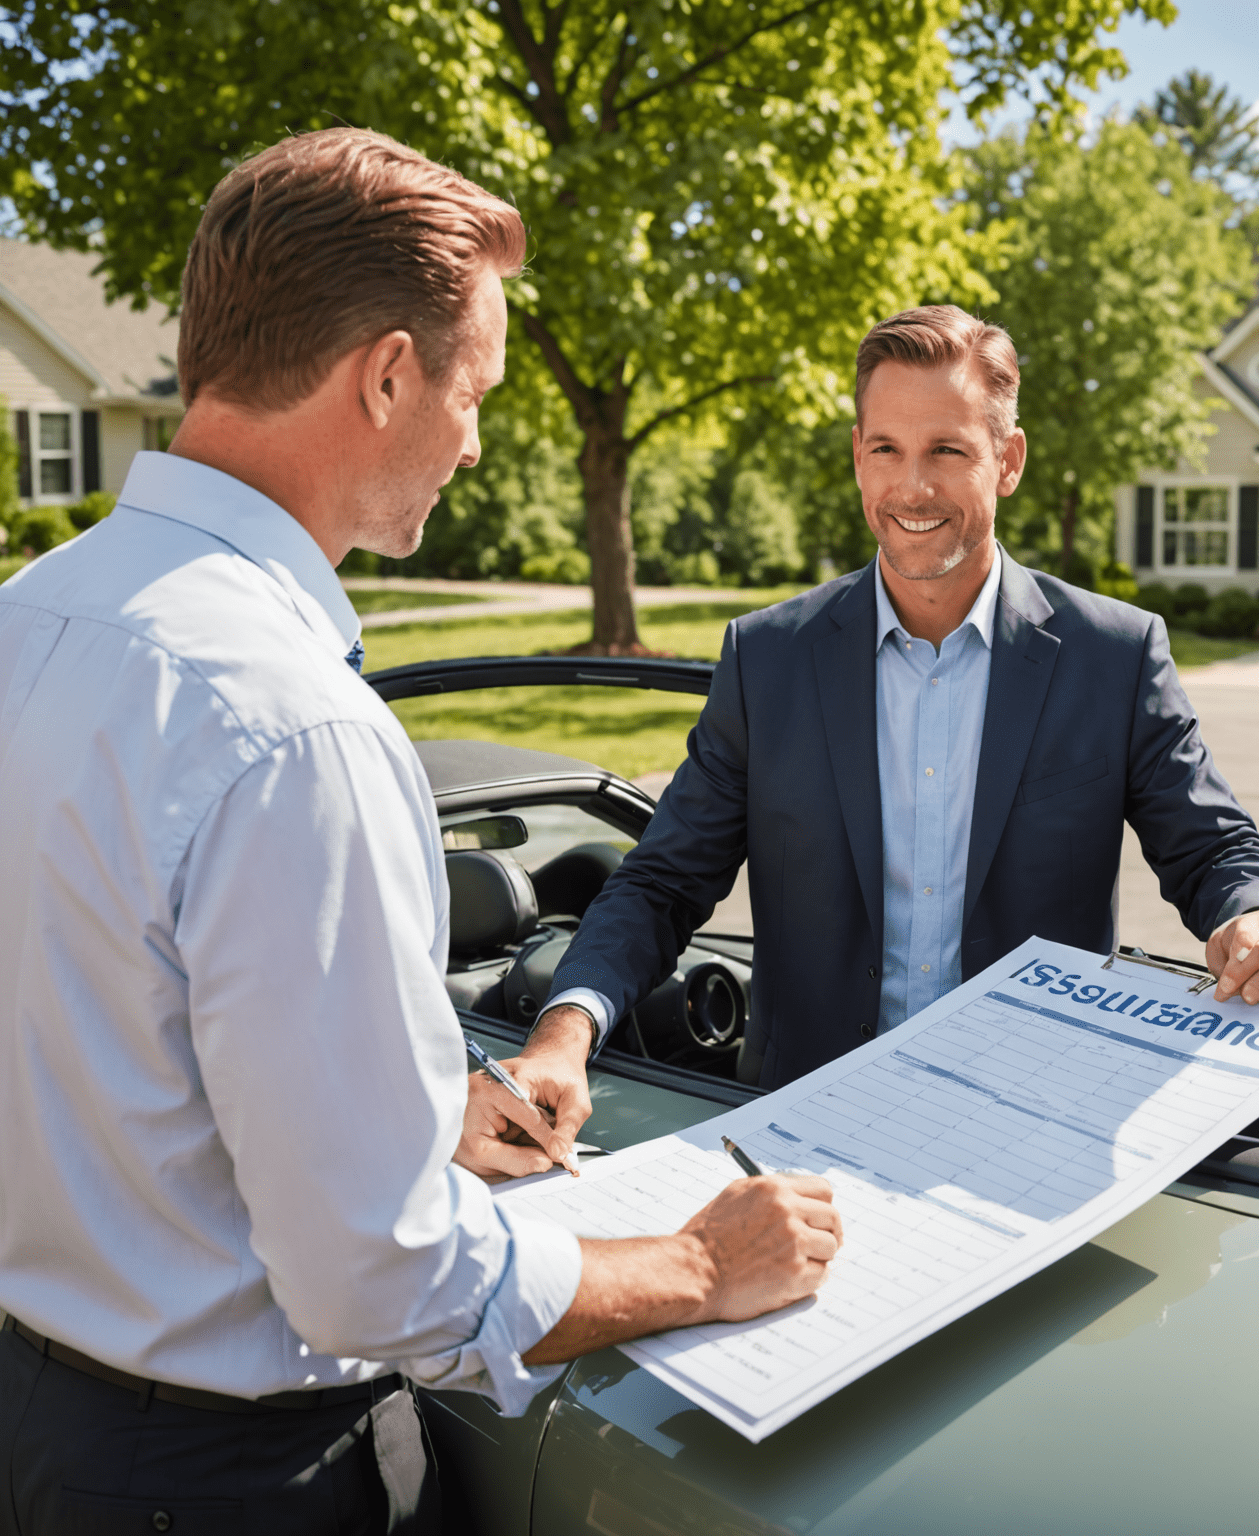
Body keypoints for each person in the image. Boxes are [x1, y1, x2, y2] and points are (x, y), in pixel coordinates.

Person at [0, 128, 840, 1534]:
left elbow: (82, 1018)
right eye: (473, 388)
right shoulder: (296, 729)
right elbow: (382, 1284)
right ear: (388, 374)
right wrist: (700, 1268)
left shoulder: (32, 619)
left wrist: (390, 1106)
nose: (473, 435)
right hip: (240, 1486)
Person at [531, 305, 1259, 1094]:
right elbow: (662, 883)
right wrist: (567, 1030)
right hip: (806, 1116)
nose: (913, 486)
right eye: (887, 449)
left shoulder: (1112, 655)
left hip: (1035, 1115)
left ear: (1007, 461)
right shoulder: (766, 658)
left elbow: (1216, 849)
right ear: (857, 456)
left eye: (948, 450)